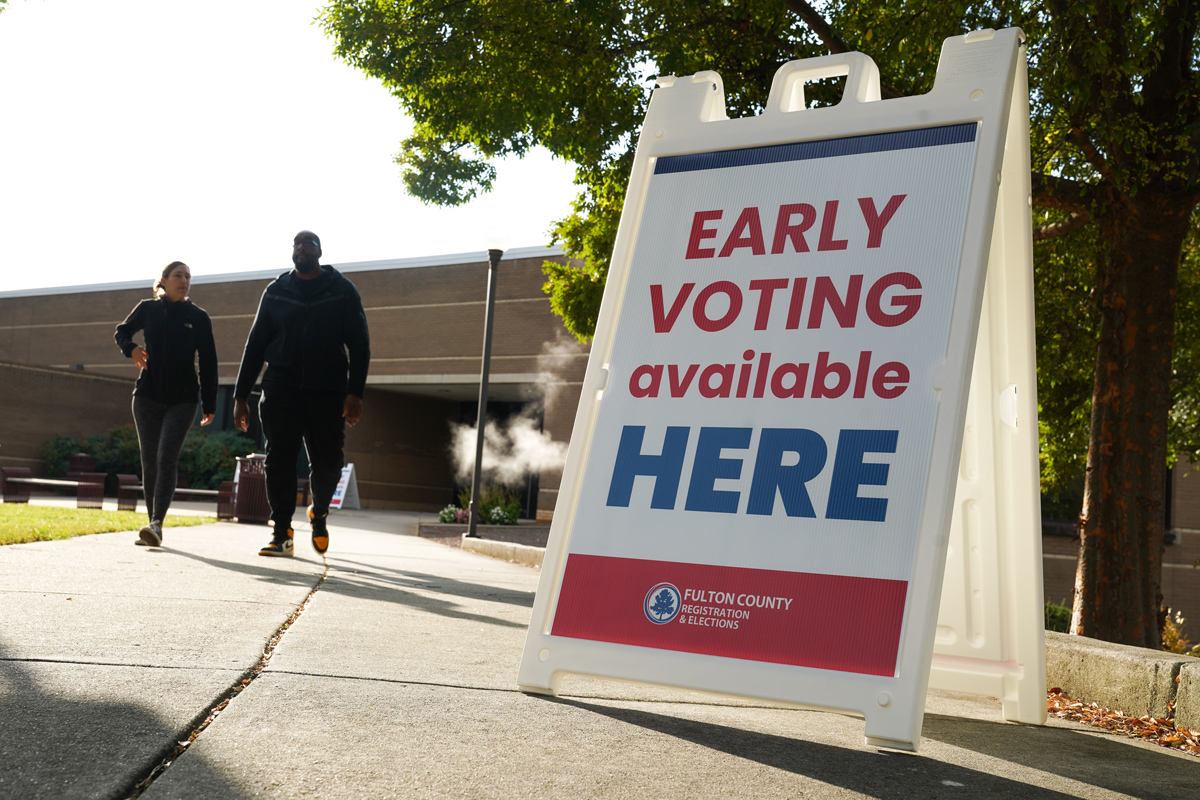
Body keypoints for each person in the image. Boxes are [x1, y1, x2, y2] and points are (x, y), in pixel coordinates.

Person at [233, 231, 370, 557]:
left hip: (328, 391)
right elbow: (255, 345)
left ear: (320, 251)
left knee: (328, 465)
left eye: (308, 244)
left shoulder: (342, 291)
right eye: (297, 244)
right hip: (282, 388)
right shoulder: (277, 291)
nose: (302, 248)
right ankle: (282, 533)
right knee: (279, 460)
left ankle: (318, 512)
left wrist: (355, 392)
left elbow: (360, 344)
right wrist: (240, 396)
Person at [114, 261, 218, 547]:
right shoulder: (147, 309)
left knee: (166, 458)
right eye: (178, 275)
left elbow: (208, 362)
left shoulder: (198, 317)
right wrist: (131, 348)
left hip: (182, 400)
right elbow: (121, 332)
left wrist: (210, 403)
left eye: (188, 276)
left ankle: (157, 522)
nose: (184, 280)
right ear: (164, 280)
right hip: (146, 396)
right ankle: (153, 523)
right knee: (149, 461)